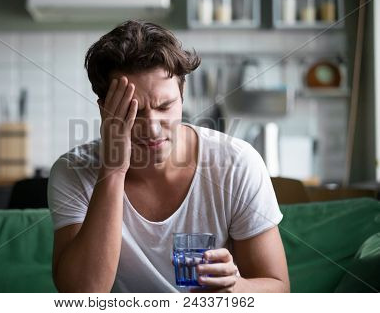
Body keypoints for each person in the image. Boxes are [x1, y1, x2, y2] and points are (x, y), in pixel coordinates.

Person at [48, 20, 290, 293]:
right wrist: (113, 171)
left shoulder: (237, 163)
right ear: (105, 110)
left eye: (165, 106)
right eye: (133, 111)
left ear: (182, 95)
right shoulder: (73, 171)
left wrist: (235, 288)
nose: (152, 128)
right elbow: (82, 295)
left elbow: (279, 289)